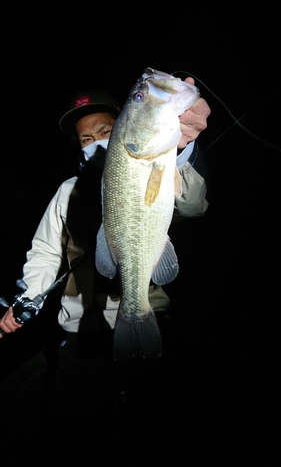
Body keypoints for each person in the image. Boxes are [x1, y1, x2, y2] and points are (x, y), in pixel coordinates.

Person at [0, 76, 211, 361]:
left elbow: (193, 205)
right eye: (86, 138)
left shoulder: (160, 160)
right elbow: (46, 252)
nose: (95, 143)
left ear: (121, 126)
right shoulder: (67, 191)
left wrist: (182, 150)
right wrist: (28, 297)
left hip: (154, 312)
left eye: (105, 131)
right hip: (77, 325)